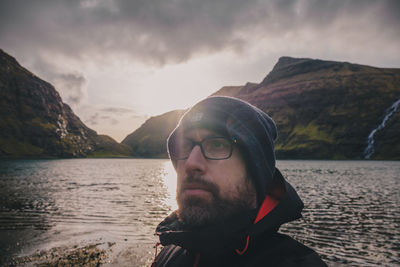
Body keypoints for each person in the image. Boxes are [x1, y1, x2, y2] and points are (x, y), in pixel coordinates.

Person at [152, 96, 327, 267]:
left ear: (255, 172)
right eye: (186, 146)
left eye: (218, 145)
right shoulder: (171, 250)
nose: (190, 163)